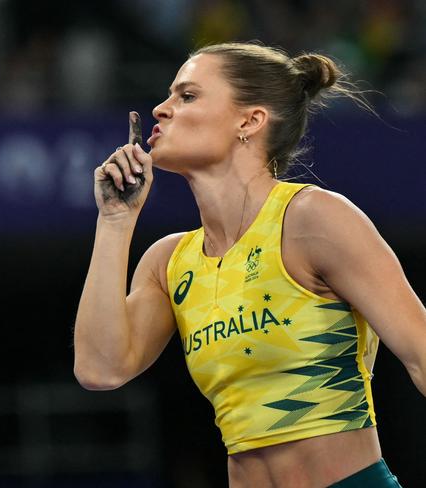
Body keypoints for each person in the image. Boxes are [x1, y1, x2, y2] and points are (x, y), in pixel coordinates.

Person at [73, 42, 425, 487]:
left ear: (250, 120)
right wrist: (115, 221)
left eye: (187, 96)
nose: (161, 109)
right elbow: (100, 369)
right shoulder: (170, 261)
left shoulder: (312, 219)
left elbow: (421, 355)